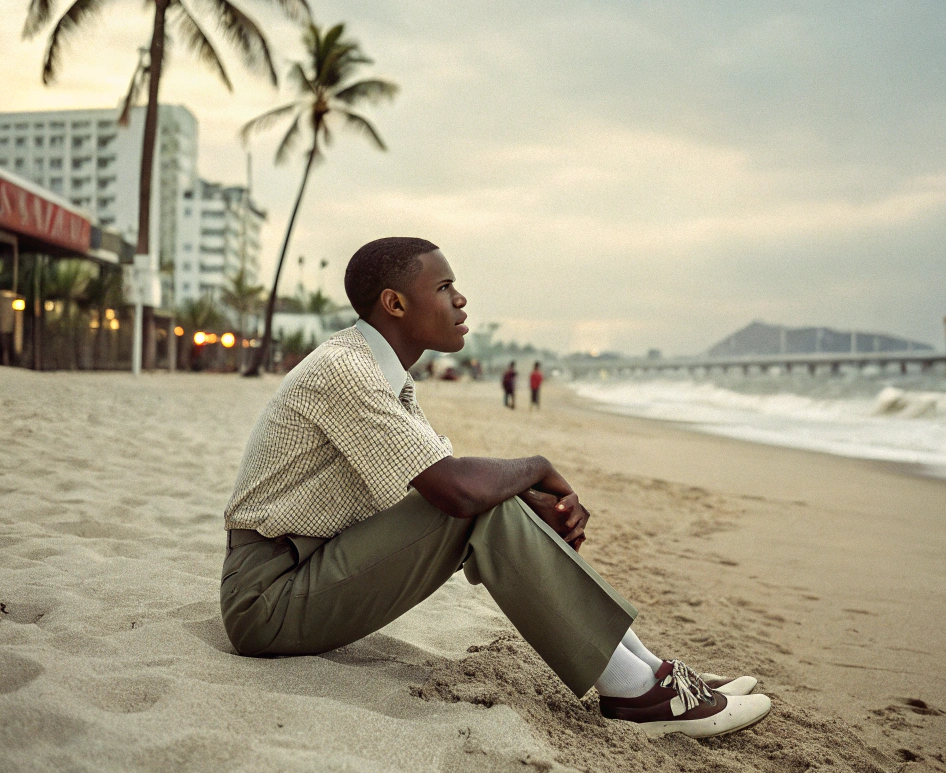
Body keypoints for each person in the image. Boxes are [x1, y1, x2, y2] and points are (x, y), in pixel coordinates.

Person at [221, 237, 771, 739]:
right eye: (444, 288)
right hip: (268, 599)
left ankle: (647, 673)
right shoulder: (347, 371)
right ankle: (635, 693)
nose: (461, 301)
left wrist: (531, 509)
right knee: (476, 499)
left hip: (307, 569)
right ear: (394, 304)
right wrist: (536, 467)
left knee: (490, 498)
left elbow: (437, 489)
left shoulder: (382, 376)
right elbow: (456, 495)